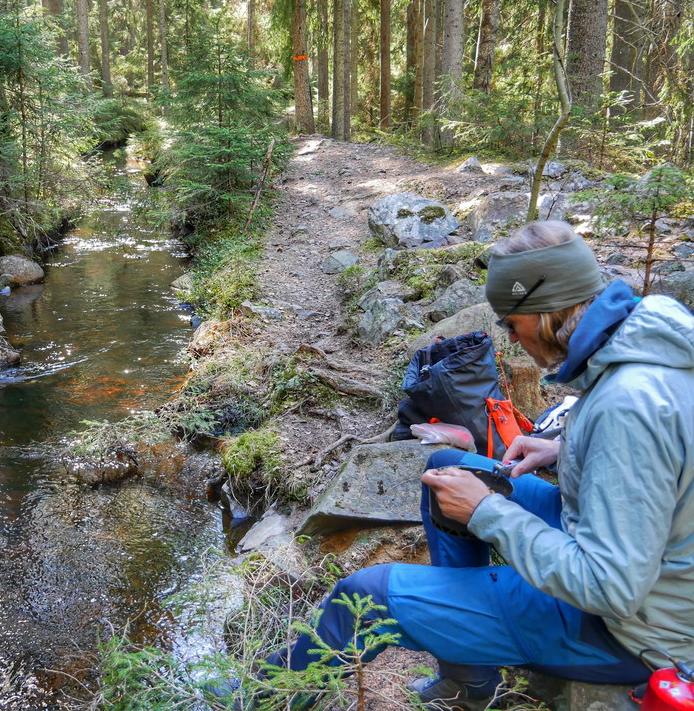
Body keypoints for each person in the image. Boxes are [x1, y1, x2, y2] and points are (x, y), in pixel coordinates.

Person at [252, 221, 694, 710]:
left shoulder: (627, 405)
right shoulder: (654, 353)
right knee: (448, 467)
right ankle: (470, 680)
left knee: (366, 597)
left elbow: (610, 587)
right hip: (652, 576)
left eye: (511, 324)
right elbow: (660, 465)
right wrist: (564, 449)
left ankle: (258, 701)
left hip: (633, 632)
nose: (512, 340)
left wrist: (486, 511)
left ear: (546, 313)